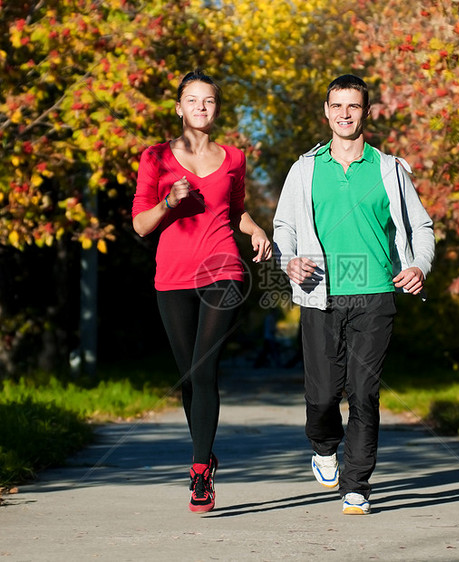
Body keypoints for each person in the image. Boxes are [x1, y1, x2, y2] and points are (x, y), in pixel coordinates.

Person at [273, 74, 435, 515]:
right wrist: (287, 260)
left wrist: (419, 264)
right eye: (337, 106)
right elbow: (284, 227)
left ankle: (357, 485)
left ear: (366, 112)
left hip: (376, 293)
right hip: (319, 293)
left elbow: (421, 226)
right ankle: (324, 445)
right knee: (323, 394)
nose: (345, 114)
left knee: (364, 392)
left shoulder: (388, 169)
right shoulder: (305, 168)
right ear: (326, 112)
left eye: (354, 106)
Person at [132, 70, 272, 513]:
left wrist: (256, 231)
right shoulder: (154, 157)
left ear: (216, 107)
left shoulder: (233, 157)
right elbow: (139, 225)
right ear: (178, 107)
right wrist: (168, 202)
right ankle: (205, 452)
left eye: (209, 101)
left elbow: (234, 212)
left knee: (205, 368)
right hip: (171, 276)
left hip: (223, 270)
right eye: (193, 101)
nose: (201, 108)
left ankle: (198, 474)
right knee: (188, 377)